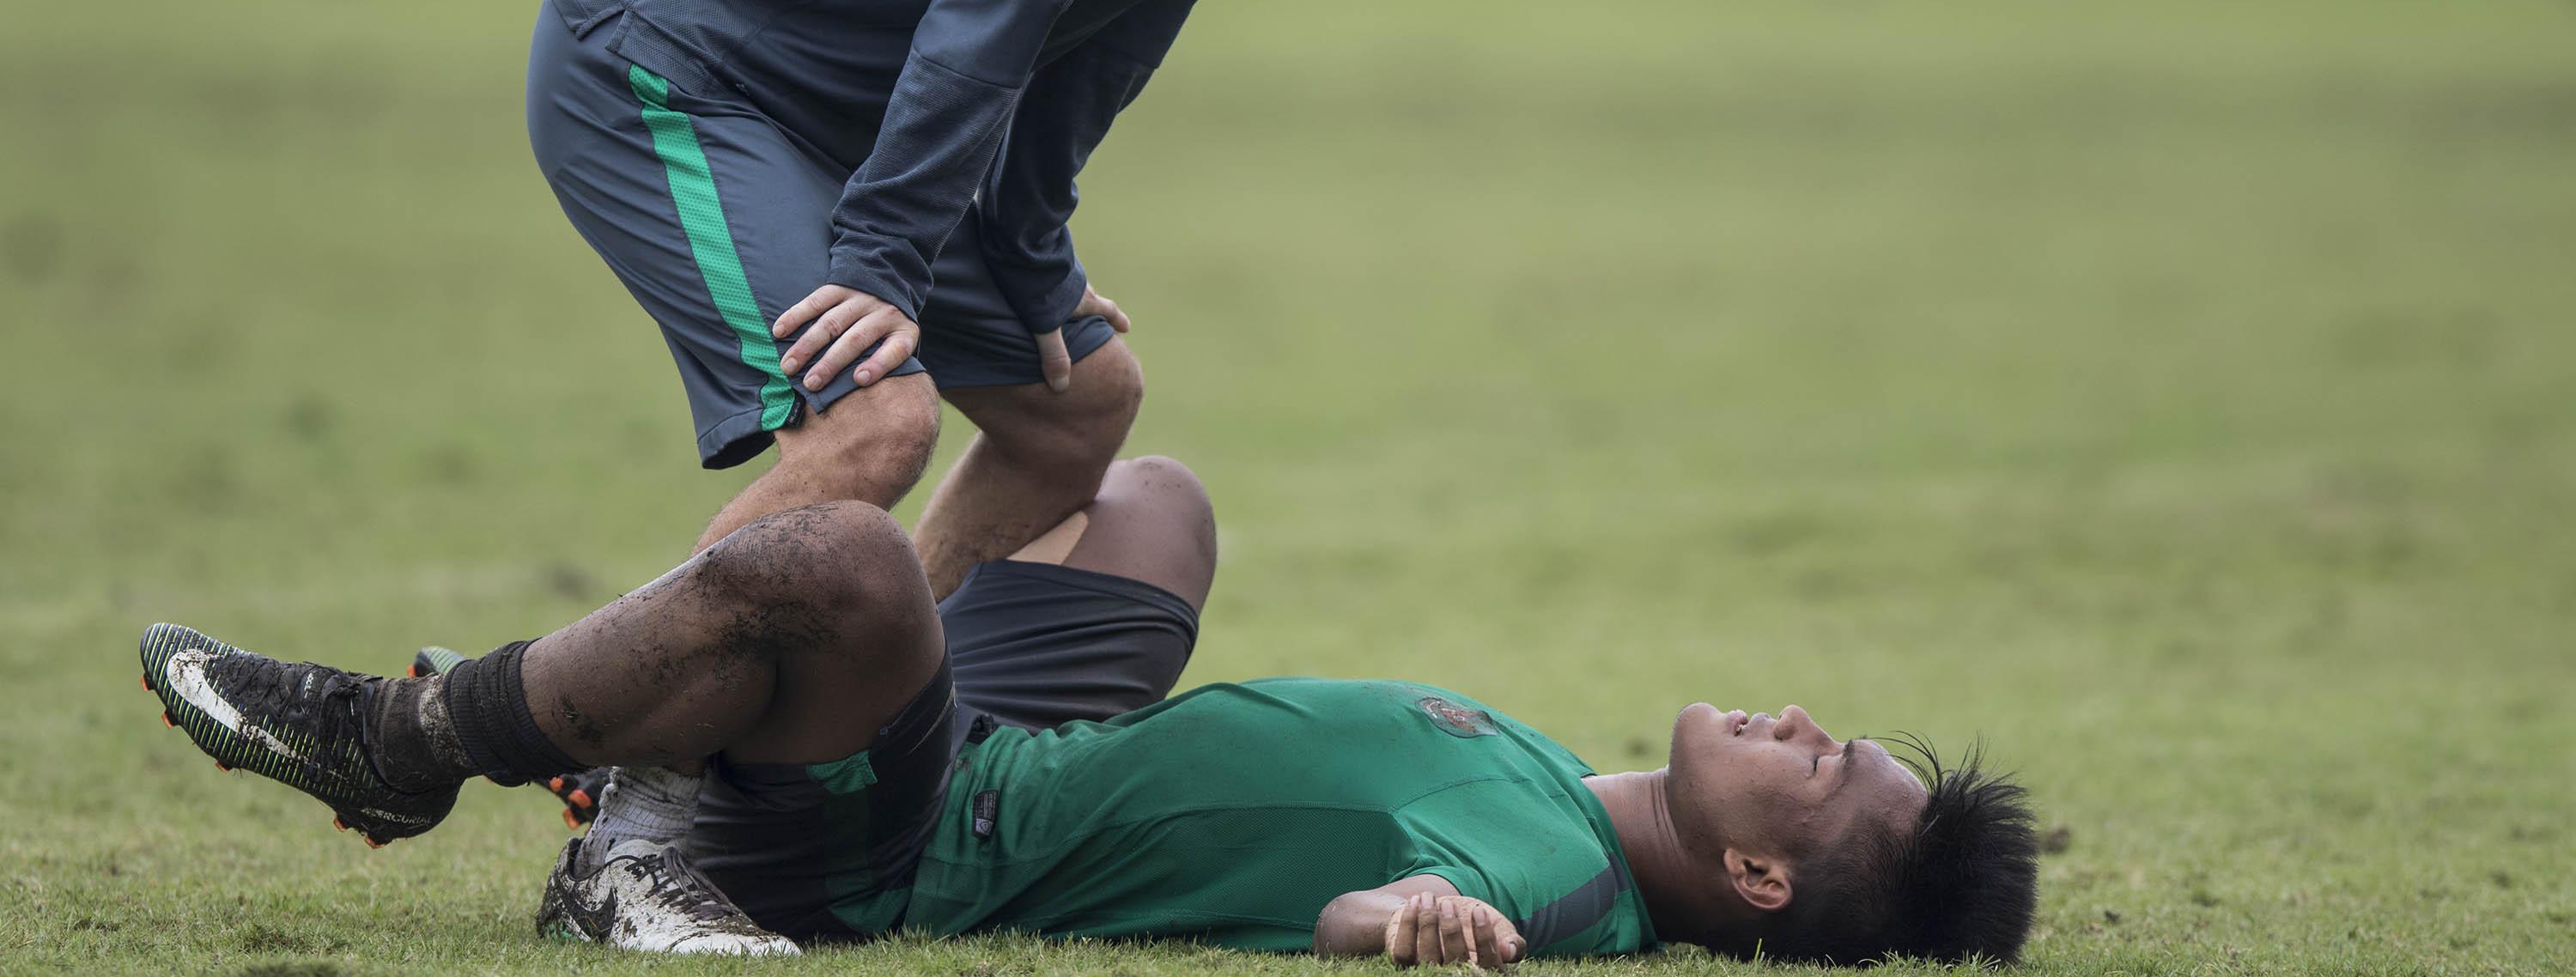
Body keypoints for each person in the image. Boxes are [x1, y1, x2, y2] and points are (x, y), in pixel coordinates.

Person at [522, 0, 1601, 904]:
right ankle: (636, 823)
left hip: (855, 130)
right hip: (679, 67)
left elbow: (1108, 27)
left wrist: (1028, 256)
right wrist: (888, 259)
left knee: (1078, 402)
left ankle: (896, 759)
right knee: (873, 420)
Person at [138, 474, 2040, 966]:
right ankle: (680, 762)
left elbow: (1385, 920)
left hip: (933, 843)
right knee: (1143, 495)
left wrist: (1407, 926)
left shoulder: (1547, 877)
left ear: (1762, 876)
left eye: (1821, 762)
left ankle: (414, 744)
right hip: (1026, 742)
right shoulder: (1576, 790)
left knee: (846, 563)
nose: (1802, 718)